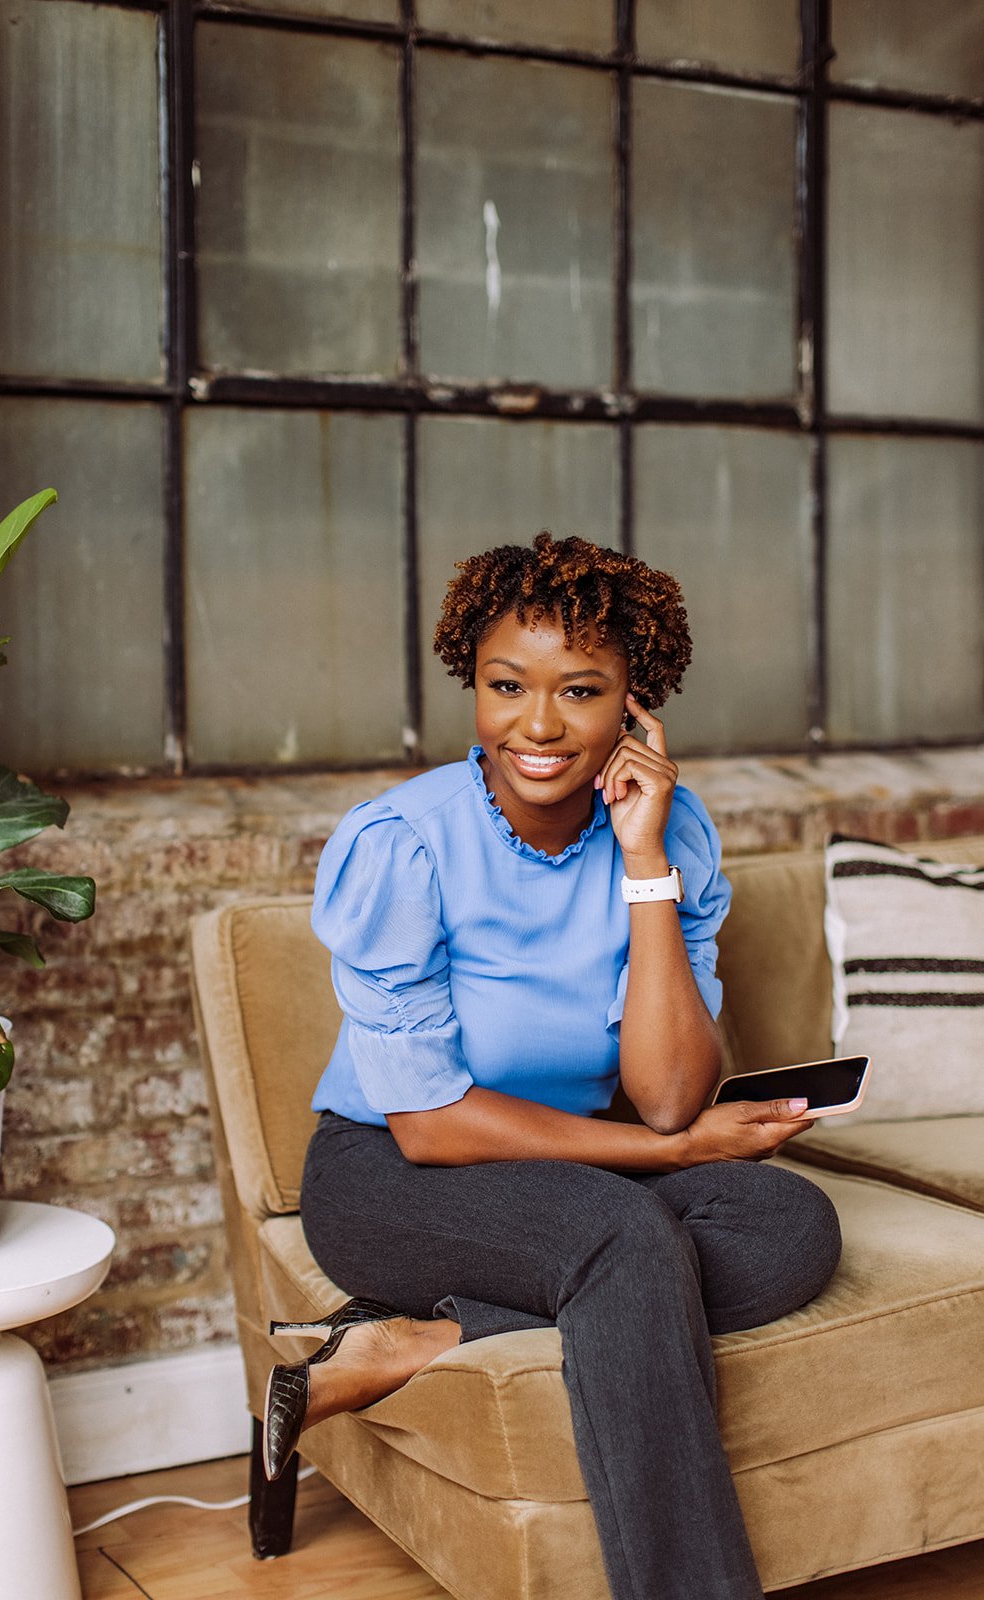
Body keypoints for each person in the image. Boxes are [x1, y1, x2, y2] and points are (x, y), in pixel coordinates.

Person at [264, 532, 842, 1600]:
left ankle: (420, 1339)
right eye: (504, 686)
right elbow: (429, 1124)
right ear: (470, 685)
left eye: (579, 690)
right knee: (619, 1235)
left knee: (788, 1222)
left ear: (633, 703)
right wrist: (665, 1150)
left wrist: (641, 862)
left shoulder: (669, 832)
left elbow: (670, 1094)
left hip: (573, 1176)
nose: (536, 724)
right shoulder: (404, 843)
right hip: (391, 1174)